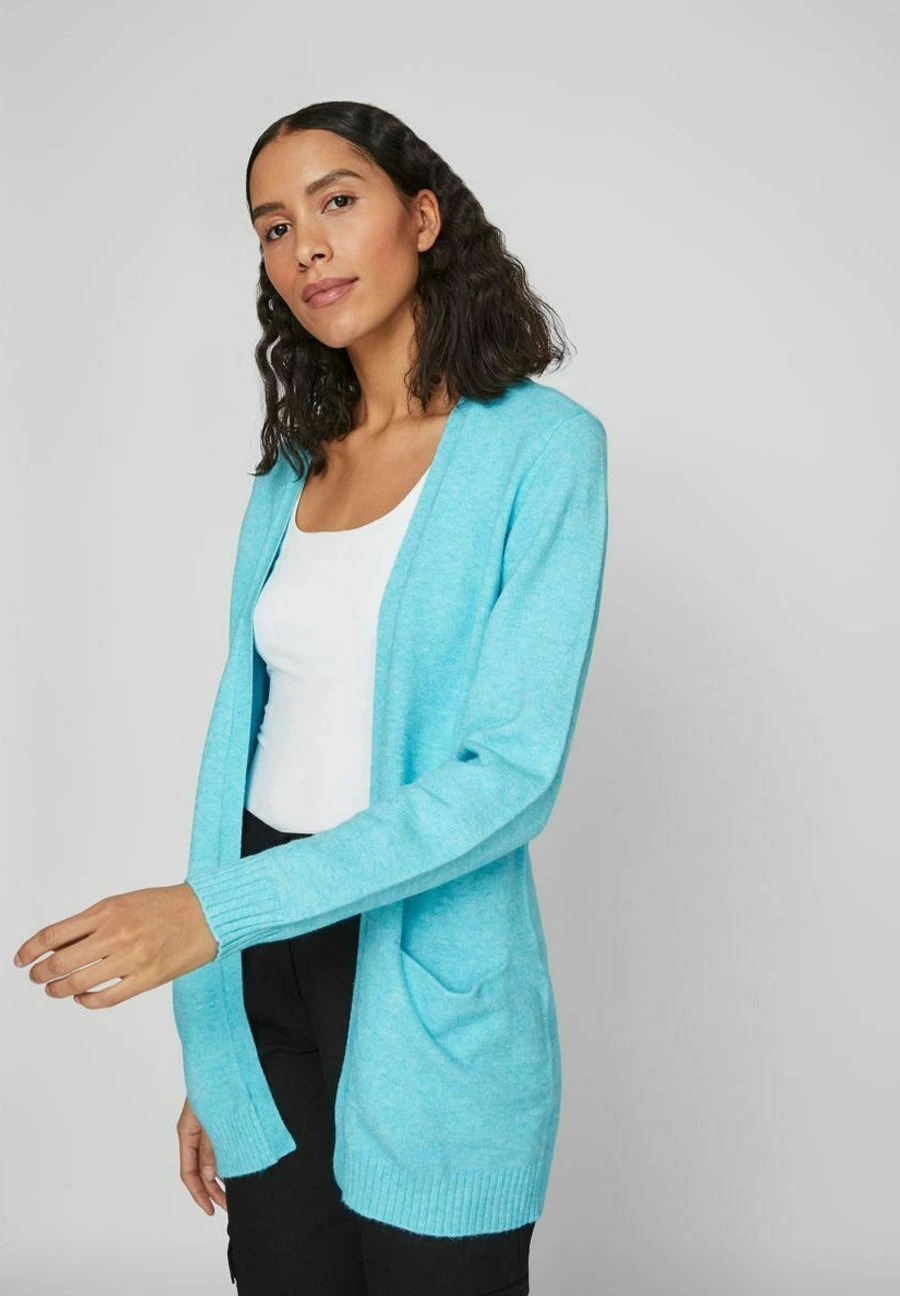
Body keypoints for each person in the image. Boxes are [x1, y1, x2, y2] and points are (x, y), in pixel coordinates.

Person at [13, 101, 609, 1294]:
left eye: (338, 201)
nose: (306, 248)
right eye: (274, 226)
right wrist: (218, 1041)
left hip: (422, 971)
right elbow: (257, 743)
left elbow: (510, 779)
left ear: (423, 218)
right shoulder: (294, 465)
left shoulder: (543, 450)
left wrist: (212, 913)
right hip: (256, 964)